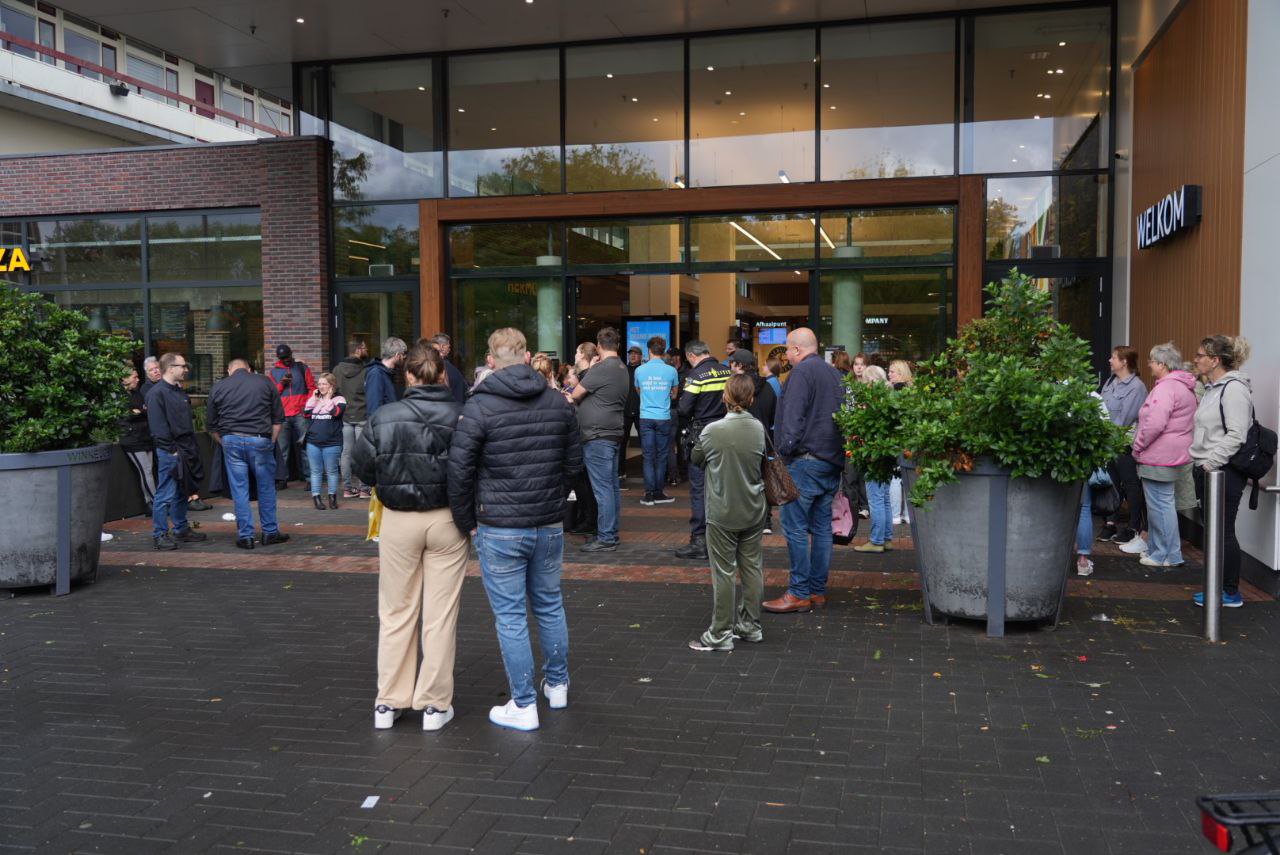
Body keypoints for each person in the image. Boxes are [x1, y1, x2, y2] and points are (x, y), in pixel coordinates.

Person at [448, 327, 583, 732]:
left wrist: (467, 521)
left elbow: (460, 470)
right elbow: (574, 462)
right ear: (526, 356)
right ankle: (557, 685)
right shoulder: (557, 402)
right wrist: (555, 498)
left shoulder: (479, 406)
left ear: (490, 361)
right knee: (550, 604)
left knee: (510, 616)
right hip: (547, 521)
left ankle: (523, 704)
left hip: (500, 524)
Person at [352, 341, 468, 732]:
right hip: (447, 519)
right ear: (441, 373)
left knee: (396, 611)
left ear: (408, 375)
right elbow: (472, 468)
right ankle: (434, 704)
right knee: (440, 614)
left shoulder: (385, 416)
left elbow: (362, 465)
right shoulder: (461, 415)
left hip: (398, 518)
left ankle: (388, 700)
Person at [763, 328, 845, 613]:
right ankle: (816, 590)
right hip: (830, 460)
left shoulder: (801, 373)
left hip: (805, 461)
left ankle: (799, 592)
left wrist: (781, 453)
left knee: (795, 527)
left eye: (787, 349)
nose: (786, 355)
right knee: (821, 528)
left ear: (797, 349)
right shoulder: (835, 374)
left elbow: (792, 418)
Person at [687, 374, 768, 652]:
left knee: (723, 572)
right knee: (752, 568)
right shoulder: (758, 428)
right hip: (754, 507)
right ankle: (750, 626)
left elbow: (696, 458)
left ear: (725, 397)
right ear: (751, 398)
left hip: (722, 510)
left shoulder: (713, 431)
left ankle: (720, 633)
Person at [1190, 335, 1254, 608]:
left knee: (1223, 531)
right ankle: (1217, 588)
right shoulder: (1212, 388)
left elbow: (1237, 434)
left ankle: (1229, 592)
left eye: (1200, 355)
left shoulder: (1234, 389)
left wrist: (1210, 463)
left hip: (1222, 472)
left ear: (1215, 360)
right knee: (1214, 531)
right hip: (1208, 469)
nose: (1196, 359)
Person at [207, 359, 288, 550]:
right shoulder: (265, 382)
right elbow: (278, 419)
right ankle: (270, 532)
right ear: (249, 369)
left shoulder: (219, 387)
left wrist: (226, 443)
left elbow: (211, 425)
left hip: (231, 440)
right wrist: (270, 442)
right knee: (266, 488)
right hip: (260, 439)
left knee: (239, 490)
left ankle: (246, 537)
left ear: (229, 370)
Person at [1130, 342, 1197, 570]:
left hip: (1158, 455)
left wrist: (1137, 446)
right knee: (1163, 505)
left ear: (1162, 364)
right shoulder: (1183, 386)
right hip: (1172, 454)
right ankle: (1167, 552)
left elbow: (1154, 424)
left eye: (1152, 361)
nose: (1149, 364)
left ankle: (1163, 554)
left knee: (1159, 507)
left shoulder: (1166, 388)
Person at [569, 328, 628, 552]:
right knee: (611, 487)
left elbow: (576, 393)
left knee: (603, 490)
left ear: (599, 346)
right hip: (613, 432)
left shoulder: (602, 368)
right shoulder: (622, 367)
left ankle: (606, 537)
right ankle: (610, 532)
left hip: (597, 435)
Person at [144, 353, 208, 551]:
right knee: (165, 493)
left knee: (182, 491)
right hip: (171, 450)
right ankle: (160, 534)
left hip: (184, 448)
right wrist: (172, 450)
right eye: (182, 366)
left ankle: (180, 529)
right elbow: (158, 427)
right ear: (171, 368)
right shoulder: (157, 393)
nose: (186, 369)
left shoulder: (178, 391)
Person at [674, 340, 731, 560]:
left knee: (699, 488)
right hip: (726, 433)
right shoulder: (726, 371)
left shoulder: (695, 375)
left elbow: (684, 408)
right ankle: (722, 538)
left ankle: (700, 540)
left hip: (702, 436)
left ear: (691, 355)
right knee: (721, 487)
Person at [1098, 345, 1149, 547]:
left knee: (1130, 486)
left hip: (1124, 445)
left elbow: (1125, 420)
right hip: (1108, 443)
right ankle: (1111, 523)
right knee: (1111, 483)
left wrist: (1106, 435)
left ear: (1124, 362)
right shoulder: (1110, 381)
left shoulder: (1136, 387)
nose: (1110, 360)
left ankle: (1133, 527)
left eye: (1114, 357)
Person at [854, 365, 895, 554]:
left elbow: (868, 429)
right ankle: (887, 538)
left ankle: (877, 540)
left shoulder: (873, 401)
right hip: (887, 455)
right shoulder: (890, 397)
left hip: (875, 454)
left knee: (876, 499)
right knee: (884, 498)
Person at [634, 336, 679, 506]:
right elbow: (674, 395)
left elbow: (639, 391)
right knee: (662, 455)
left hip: (646, 417)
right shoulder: (671, 371)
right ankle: (659, 493)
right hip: (663, 417)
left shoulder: (640, 370)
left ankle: (648, 494)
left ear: (649, 350)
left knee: (647, 456)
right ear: (663, 350)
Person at [268, 344, 316, 490]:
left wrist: (306, 406)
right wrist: (282, 384)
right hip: (283, 415)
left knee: (305, 447)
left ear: (291, 353)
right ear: (278, 358)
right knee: (282, 449)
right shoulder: (273, 373)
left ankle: (310, 478)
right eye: (283, 358)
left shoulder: (302, 368)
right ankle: (282, 479)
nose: (286, 360)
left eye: (288, 356)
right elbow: (272, 394)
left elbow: (312, 388)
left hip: (300, 413)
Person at [334, 338, 370, 499]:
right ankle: (364, 489)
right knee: (363, 453)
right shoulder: (366, 370)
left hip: (345, 416)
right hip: (362, 415)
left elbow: (334, 392)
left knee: (346, 453)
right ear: (358, 350)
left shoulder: (337, 370)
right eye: (365, 348)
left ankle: (347, 489)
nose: (367, 350)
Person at [304, 373, 346, 511]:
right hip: (313, 442)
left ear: (331, 386)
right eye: (320, 384)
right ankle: (316, 498)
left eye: (324, 384)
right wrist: (314, 398)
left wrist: (328, 399)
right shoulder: (316, 399)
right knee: (315, 471)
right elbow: (306, 413)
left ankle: (332, 498)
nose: (321, 387)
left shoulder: (339, 399)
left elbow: (336, 413)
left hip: (332, 442)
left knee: (332, 471)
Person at [120, 365, 156, 512]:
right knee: (146, 470)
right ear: (124, 379)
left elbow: (145, 411)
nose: (138, 379)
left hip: (145, 436)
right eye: (134, 377)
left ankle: (152, 502)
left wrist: (139, 412)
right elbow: (127, 415)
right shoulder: (118, 396)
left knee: (149, 470)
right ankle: (153, 502)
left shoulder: (137, 393)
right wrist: (140, 412)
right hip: (132, 439)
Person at [886, 360, 914, 525]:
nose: (889, 374)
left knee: (895, 478)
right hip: (910, 439)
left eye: (892, 372)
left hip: (897, 439)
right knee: (909, 477)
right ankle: (909, 515)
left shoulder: (895, 392)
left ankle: (896, 514)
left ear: (901, 373)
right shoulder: (912, 391)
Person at [728, 349, 776, 436]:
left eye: (732, 362)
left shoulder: (735, 387)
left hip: (741, 438)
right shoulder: (767, 385)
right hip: (763, 438)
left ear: (739, 365)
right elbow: (774, 416)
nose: (730, 365)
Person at [366, 336, 407, 421]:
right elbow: (374, 408)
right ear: (397, 355)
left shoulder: (389, 373)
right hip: (382, 425)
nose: (404, 358)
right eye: (403, 355)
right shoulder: (376, 373)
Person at [620, 345, 643, 485]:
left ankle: (646, 472)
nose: (632, 356)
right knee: (622, 443)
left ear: (641, 356)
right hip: (625, 411)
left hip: (641, 411)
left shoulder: (644, 370)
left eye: (636, 354)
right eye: (631, 354)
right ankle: (620, 472)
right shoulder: (623, 370)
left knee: (645, 443)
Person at [430, 333, 467, 404]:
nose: (449, 349)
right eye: (448, 347)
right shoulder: (444, 365)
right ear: (442, 347)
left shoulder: (426, 364)